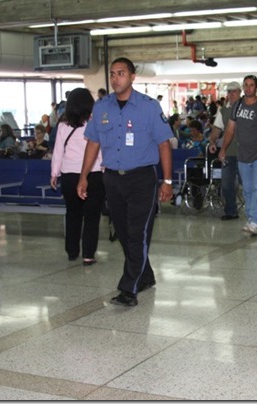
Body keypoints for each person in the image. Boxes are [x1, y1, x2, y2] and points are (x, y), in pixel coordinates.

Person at [77, 57, 174, 307]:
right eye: (112, 74)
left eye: (121, 73)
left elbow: (164, 144)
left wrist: (167, 181)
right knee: (123, 232)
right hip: (112, 179)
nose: (115, 78)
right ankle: (146, 275)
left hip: (142, 178)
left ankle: (128, 288)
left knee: (137, 233)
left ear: (132, 77)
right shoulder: (102, 107)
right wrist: (84, 176)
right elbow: (93, 143)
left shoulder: (148, 107)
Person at [51, 88, 105, 266]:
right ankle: (88, 255)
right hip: (94, 174)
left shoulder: (63, 126)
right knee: (92, 216)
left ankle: (72, 251)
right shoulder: (96, 124)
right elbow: (102, 149)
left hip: (69, 176)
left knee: (72, 213)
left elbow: (58, 152)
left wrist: (54, 174)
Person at [218, 74, 257, 236]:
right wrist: (223, 149)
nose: (248, 88)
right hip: (242, 154)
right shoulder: (237, 106)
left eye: (251, 85)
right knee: (247, 189)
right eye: (246, 85)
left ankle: (255, 220)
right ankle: (253, 216)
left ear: (256, 88)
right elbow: (230, 129)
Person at [208, 81, 242, 221]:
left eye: (234, 91)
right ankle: (231, 211)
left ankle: (256, 213)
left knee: (249, 185)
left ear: (240, 92)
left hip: (246, 153)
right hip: (228, 153)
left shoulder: (247, 108)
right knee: (227, 184)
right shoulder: (223, 110)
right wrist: (212, 141)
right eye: (229, 92)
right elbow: (217, 128)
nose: (232, 94)